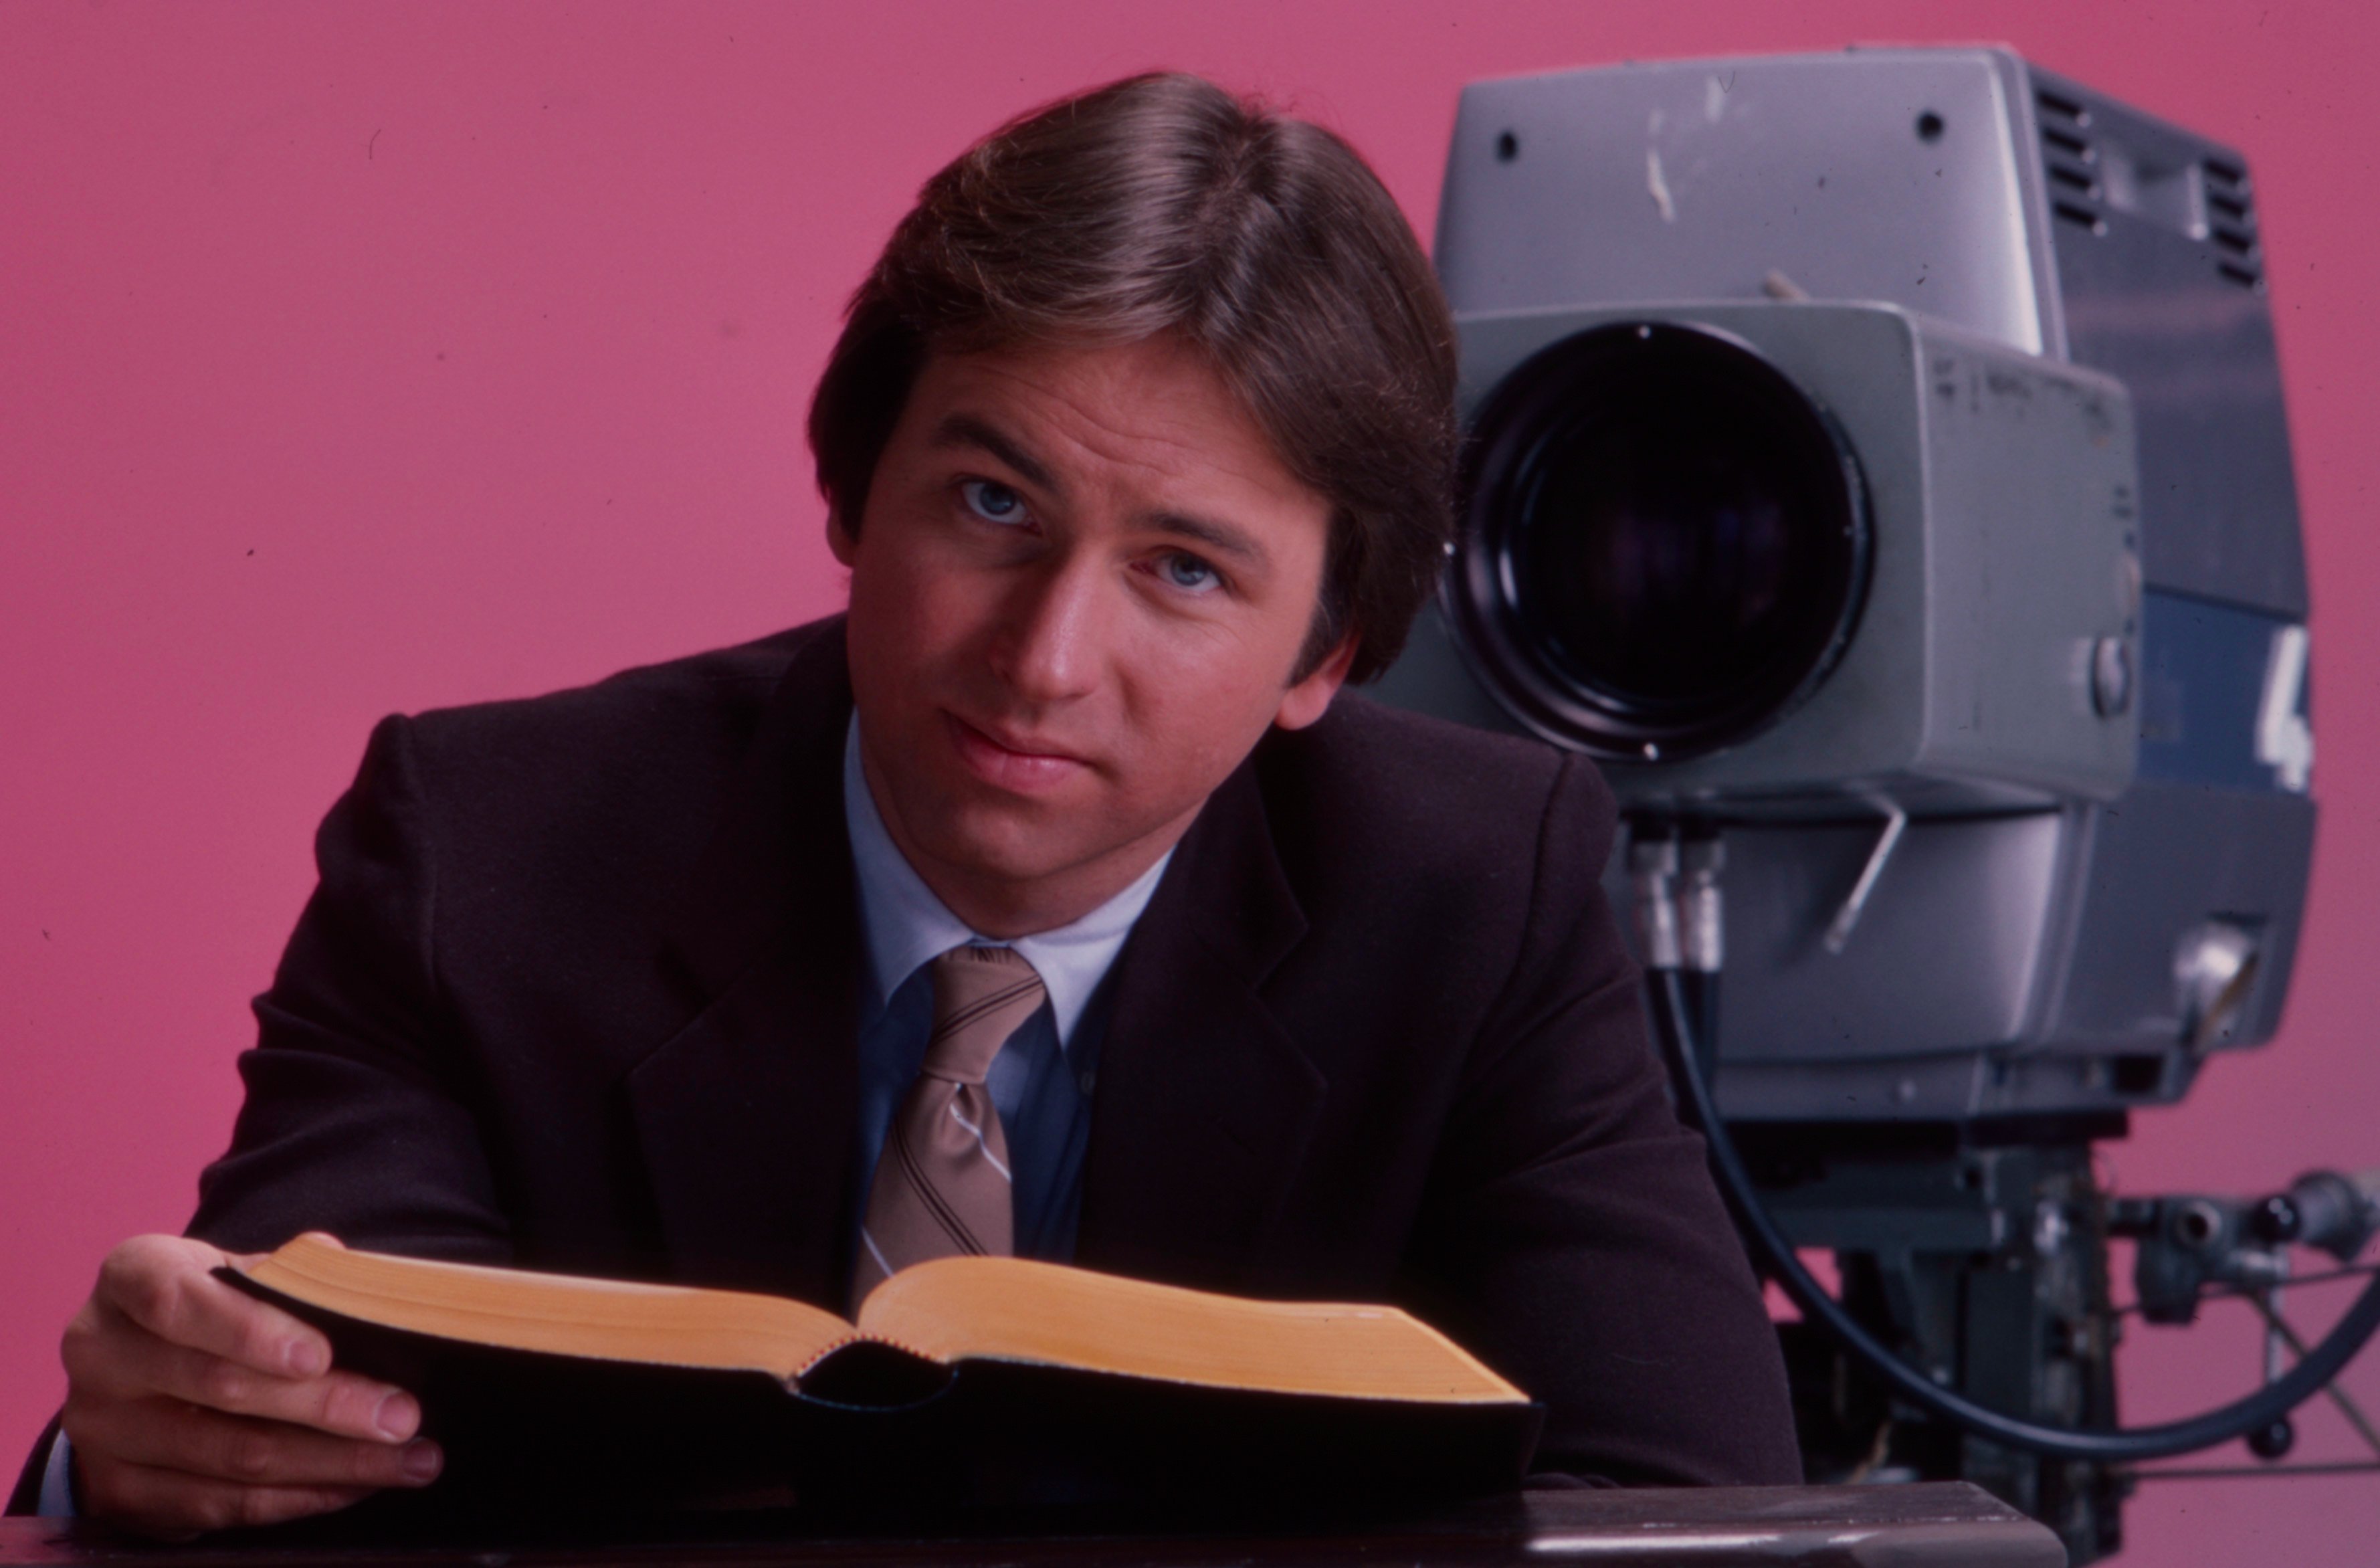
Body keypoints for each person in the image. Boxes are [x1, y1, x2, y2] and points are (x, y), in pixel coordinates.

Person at [16, 72, 1799, 1538]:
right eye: (992, 506)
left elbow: (1688, 1509)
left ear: (1324, 656)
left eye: (1183, 571)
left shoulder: (1477, 893)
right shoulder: (483, 845)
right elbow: (306, 1430)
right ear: (857, 491)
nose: (1043, 660)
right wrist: (143, 1452)